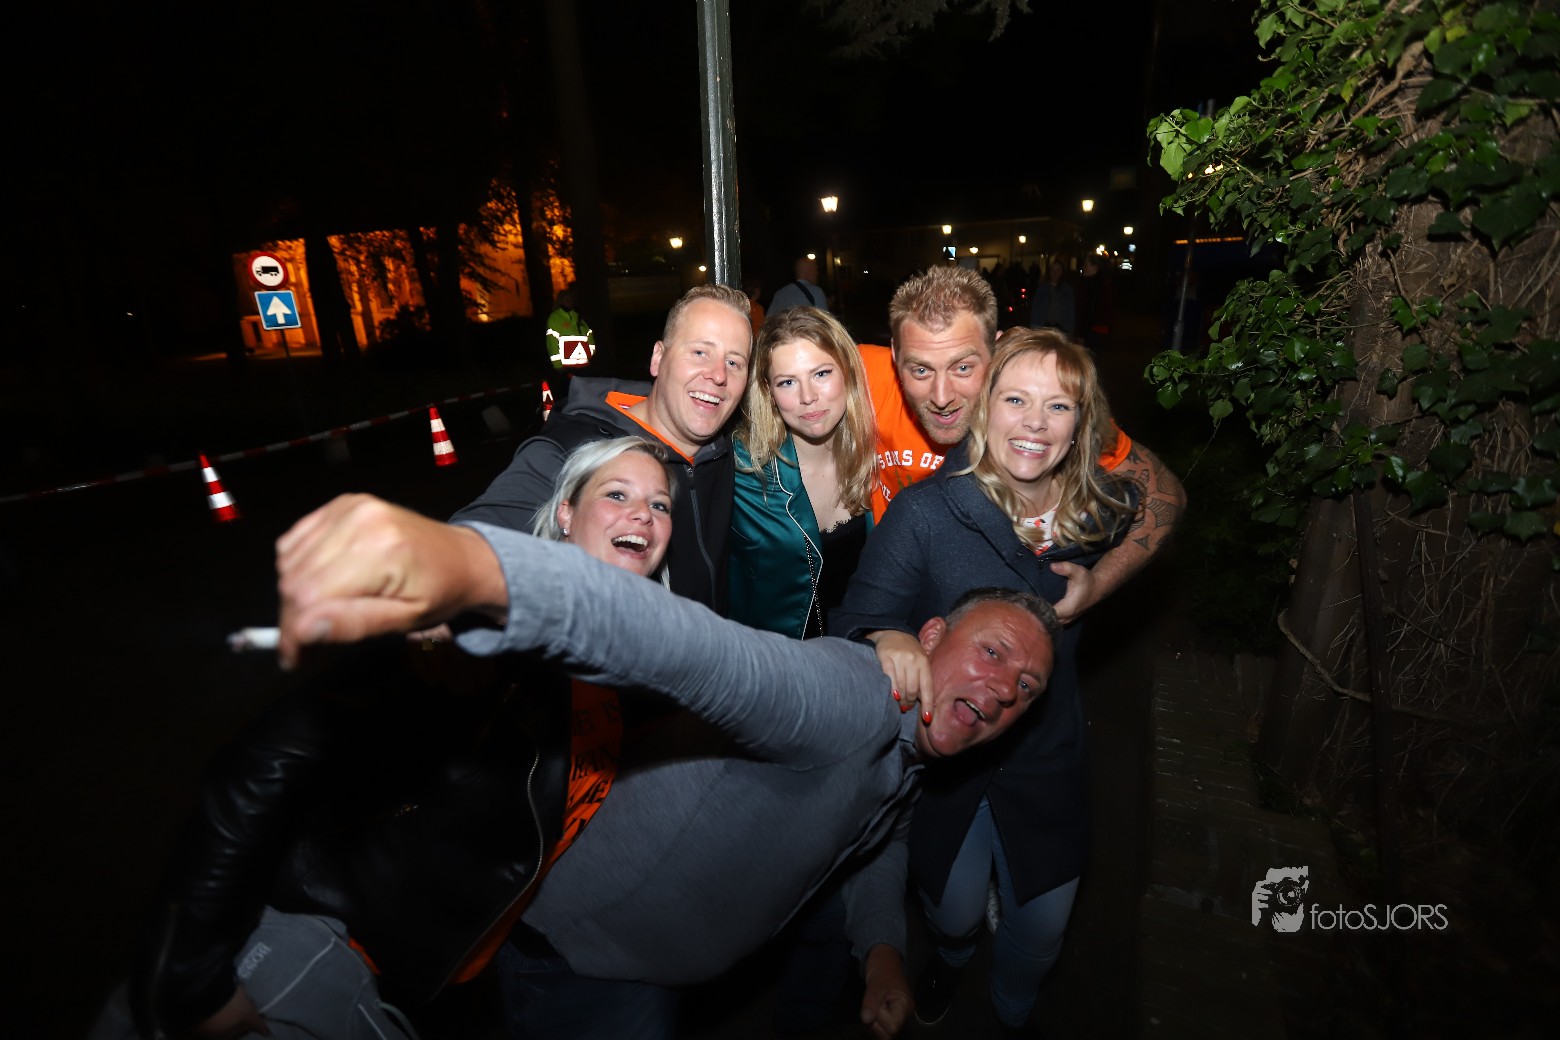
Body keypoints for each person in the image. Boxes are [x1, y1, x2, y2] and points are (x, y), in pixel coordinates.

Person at [269, 492, 1065, 1040]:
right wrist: (483, 571)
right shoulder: (850, 696)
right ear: (931, 636)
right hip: (589, 969)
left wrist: (882, 951)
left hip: (653, 972)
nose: (1004, 690)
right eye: (994, 653)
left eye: (1026, 690)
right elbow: (697, 652)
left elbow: (879, 840)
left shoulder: (915, 749)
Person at [93, 438, 678, 1040]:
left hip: (423, 987)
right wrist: (189, 974)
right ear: (565, 514)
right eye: (617, 495)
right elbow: (267, 759)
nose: (642, 514)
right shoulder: (487, 628)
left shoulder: (624, 670)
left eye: (660, 506)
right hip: (307, 955)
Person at [832, 329, 1139, 1035]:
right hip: (950, 762)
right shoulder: (927, 512)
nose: (1036, 422)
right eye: (1016, 400)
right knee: (952, 910)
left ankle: (1013, 1007)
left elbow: (1164, 504)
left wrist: (1101, 584)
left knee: (1041, 931)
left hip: (1047, 752)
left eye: (1058, 406)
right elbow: (854, 617)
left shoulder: (1099, 513)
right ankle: (952, 955)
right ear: (985, 408)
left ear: (1081, 425)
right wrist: (888, 633)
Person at [860, 264, 1185, 624]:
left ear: (996, 349)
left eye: (963, 368)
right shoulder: (862, 379)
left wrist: (1096, 585)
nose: (941, 396)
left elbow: (1165, 495)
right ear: (895, 355)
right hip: (895, 601)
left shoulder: (1042, 421)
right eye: (920, 370)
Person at [459, 282, 752, 612]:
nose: (718, 375)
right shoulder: (574, 448)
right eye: (700, 352)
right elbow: (473, 547)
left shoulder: (724, 448)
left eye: (734, 363)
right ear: (658, 358)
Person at [728, 306, 876, 639]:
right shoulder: (741, 471)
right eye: (787, 382)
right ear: (769, 392)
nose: (808, 397)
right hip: (778, 661)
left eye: (821, 374)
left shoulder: (880, 457)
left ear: (848, 372)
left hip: (866, 653)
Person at [543, 284, 595, 408]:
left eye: (571, 299)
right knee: (569, 398)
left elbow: (589, 335)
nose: (570, 302)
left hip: (583, 366)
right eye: (567, 299)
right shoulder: (555, 318)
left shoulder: (578, 317)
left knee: (584, 397)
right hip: (566, 368)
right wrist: (557, 365)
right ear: (560, 301)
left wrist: (590, 354)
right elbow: (552, 342)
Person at [1075, 255, 1116, 353]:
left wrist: (1082, 334)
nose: (1083, 267)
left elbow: (1089, 309)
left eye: (1086, 265)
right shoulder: (1102, 282)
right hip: (1098, 329)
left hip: (1092, 330)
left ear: (1094, 267)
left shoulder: (1093, 284)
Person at [1028, 258, 1075, 337]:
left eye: (1058, 270)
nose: (1054, 273)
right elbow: (1036, 309)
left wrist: (1070, 331)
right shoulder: (1042, 289)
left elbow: (1071, 312)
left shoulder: (1067, 290)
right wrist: (1035, 329)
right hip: (1045, 327)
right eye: (1052, 270)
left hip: (1062, 329)